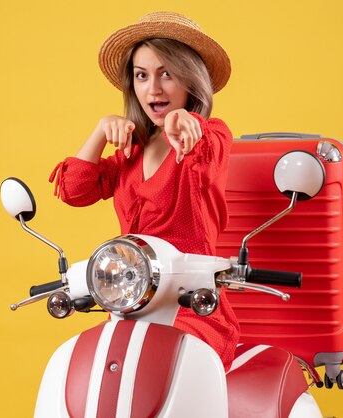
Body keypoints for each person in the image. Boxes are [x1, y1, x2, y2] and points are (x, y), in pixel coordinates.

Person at [49, 12, 239, 370]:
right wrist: (100, 132)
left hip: (193, 311)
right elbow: (74, 190)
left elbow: (205, 146)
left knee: (165, 367)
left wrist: (185, 122)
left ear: (191, 79)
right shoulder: (129, 153)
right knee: (90, 369)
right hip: (132, 308)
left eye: (167, 73)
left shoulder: (209, 137)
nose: (153, 88)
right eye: (141, 75)